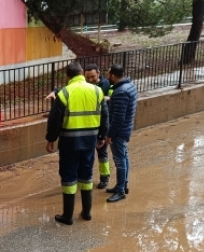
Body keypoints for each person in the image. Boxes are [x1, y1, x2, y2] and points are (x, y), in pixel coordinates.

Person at [45, 62, 107, 225]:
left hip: (69, 142)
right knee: (86, 175)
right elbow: (105, 116)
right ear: (81, 73)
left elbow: (55, 120)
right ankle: (86, 213)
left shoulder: (64, 93)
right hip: (90, 141)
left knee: (68, 176)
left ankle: (68, 215)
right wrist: (102, 136)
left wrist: (51, 139)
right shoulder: (97, 91)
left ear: (68, 76)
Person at [104, 63, 137, 202]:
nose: (107, 76)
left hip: (119, 131)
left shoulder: (120, 92)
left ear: (112, 75)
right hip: (126, 128)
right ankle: (123, 184)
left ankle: (120, 191)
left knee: (119, 161)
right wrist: (111, 99)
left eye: (108, 74)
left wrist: (109, 134)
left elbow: (118, 117)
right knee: (124, 157)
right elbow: (124, 106)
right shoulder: (129, 86)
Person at [84, 63, 112, 189]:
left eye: (93, 77)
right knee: (86, 153)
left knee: (102, 153)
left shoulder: (106, 85)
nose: (90, 80)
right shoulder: (84, 86)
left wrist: (108, 98)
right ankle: (85, 177)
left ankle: (104, 177)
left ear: (99, 74)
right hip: (88, 124)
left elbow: (114, 97)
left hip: (101, 125)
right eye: (87, 77)